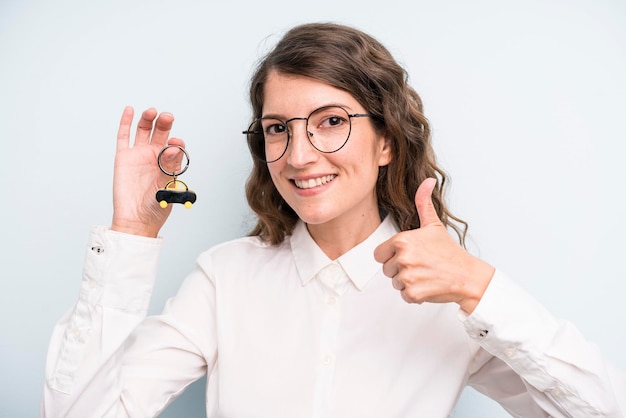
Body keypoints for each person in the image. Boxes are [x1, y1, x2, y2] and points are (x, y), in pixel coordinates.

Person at [41, 22, 624, 417]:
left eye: (330, 122)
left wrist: (477, 286)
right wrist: (130, 233)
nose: (298, 155)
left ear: (387, 141)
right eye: (279, 129)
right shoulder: (225, 280)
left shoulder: (452, 300)